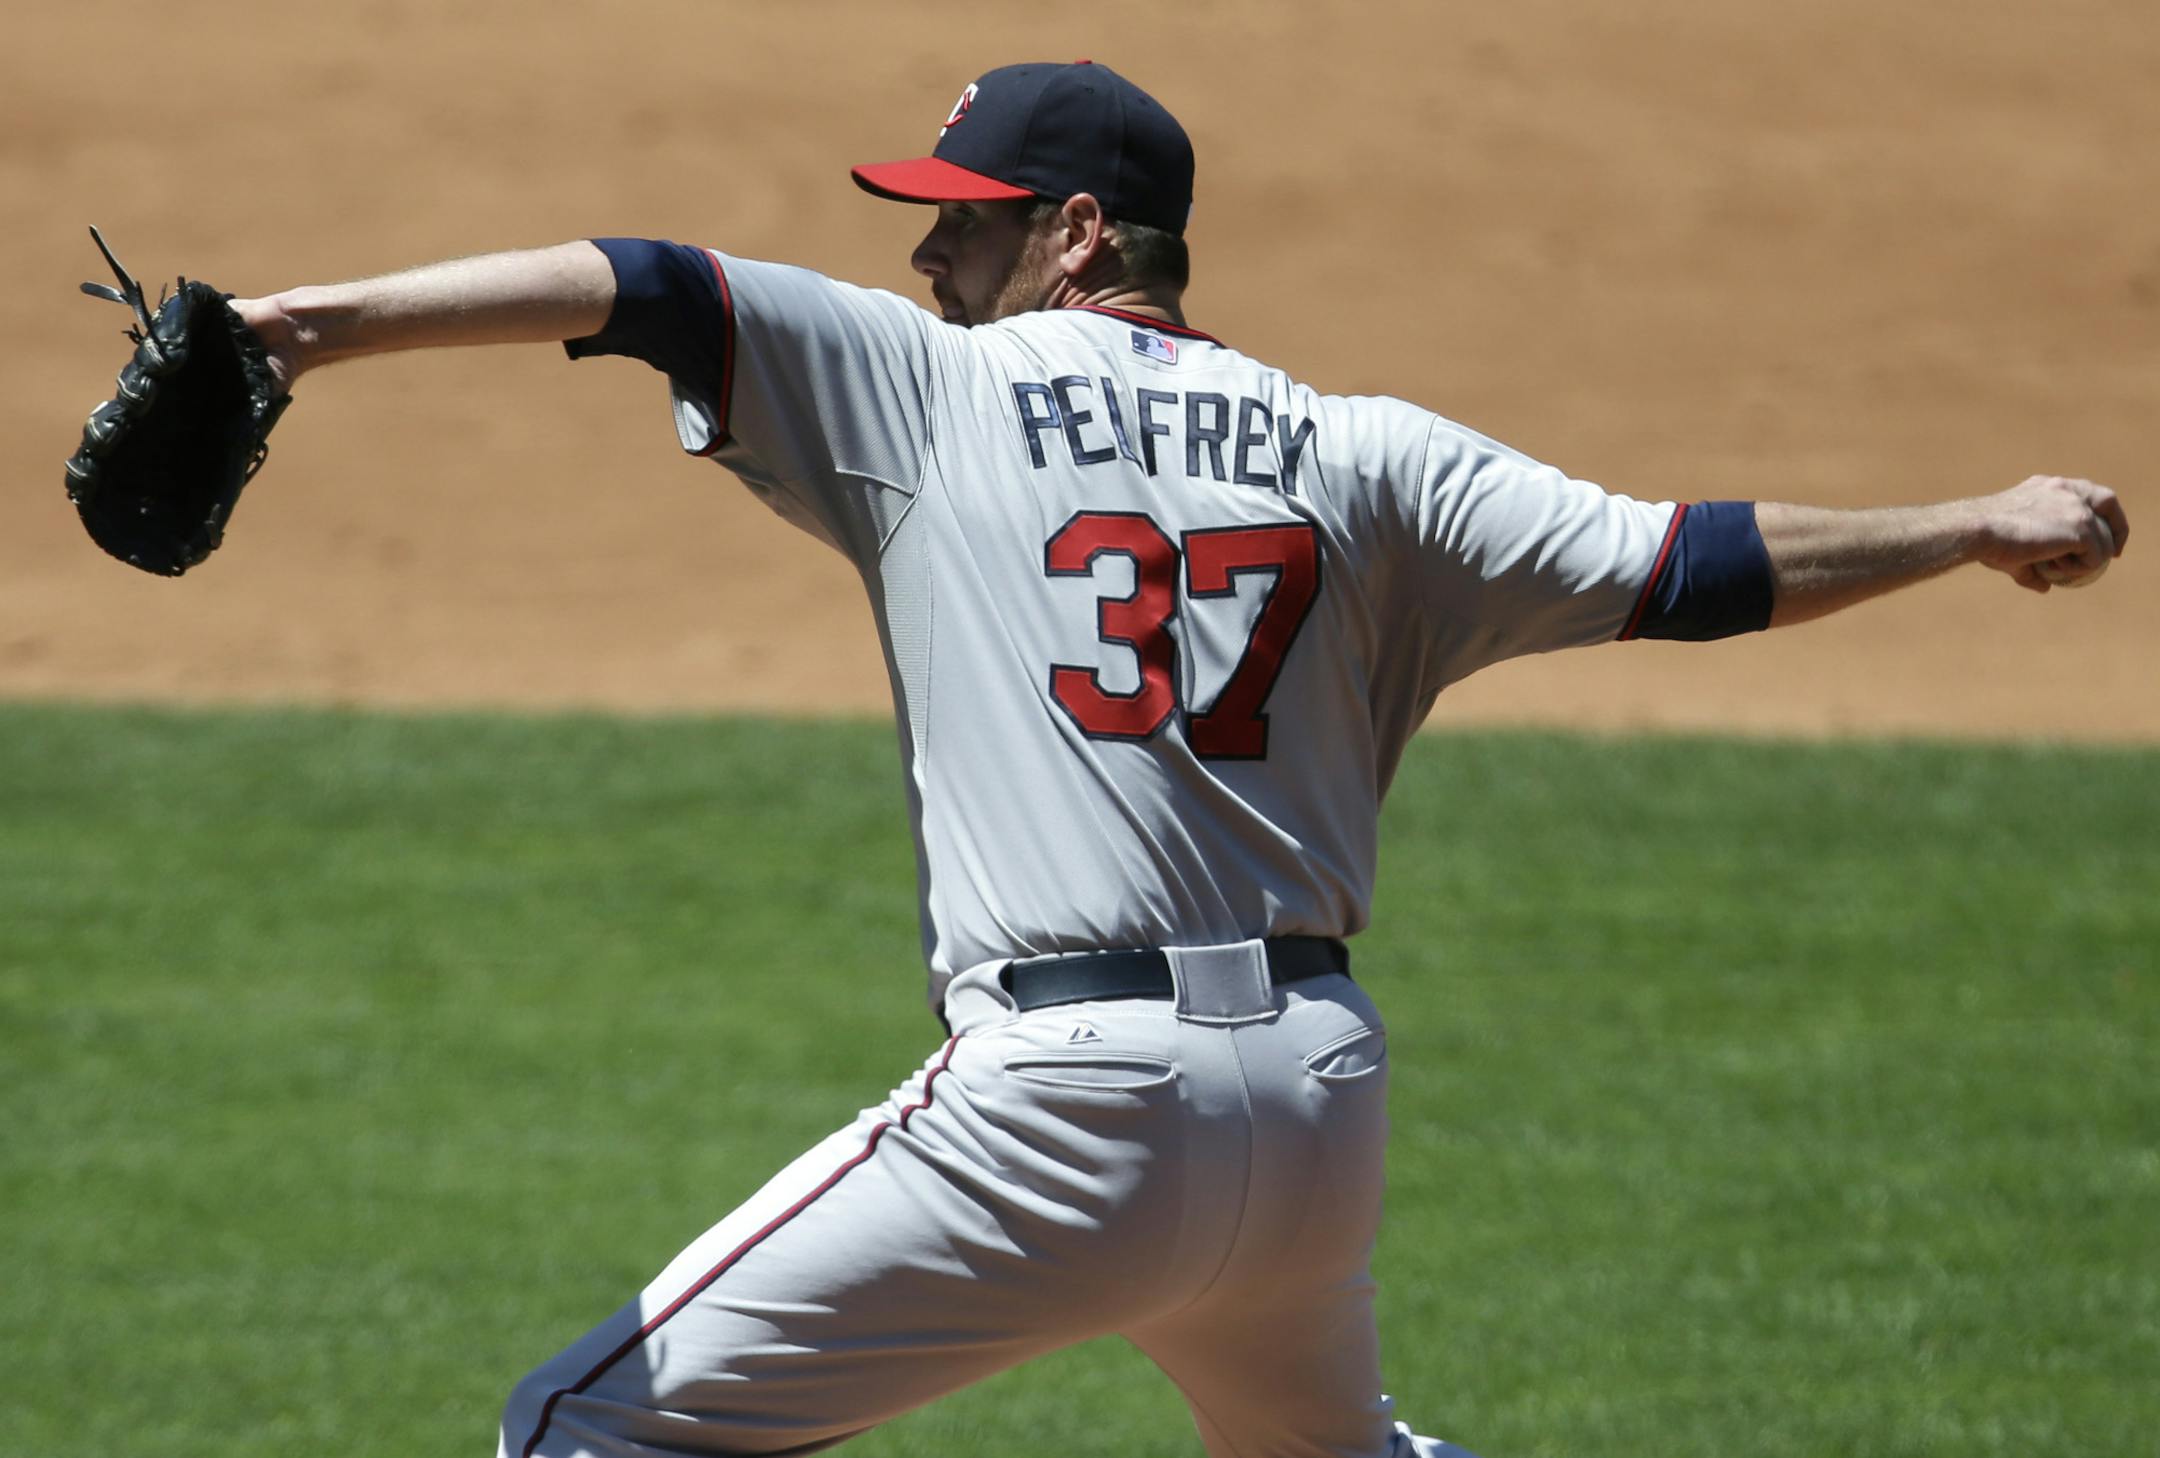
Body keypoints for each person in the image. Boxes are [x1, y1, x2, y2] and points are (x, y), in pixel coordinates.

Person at [232, 60, 2126, 1458]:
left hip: (1067, 1106)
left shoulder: (927, 380)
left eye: (962, 217)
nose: (922, 244)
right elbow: (1692, 564)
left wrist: (302, 327)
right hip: (1313, 1107)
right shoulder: (1366, 448)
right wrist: (1968, 517)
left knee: (583, 1431)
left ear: (1072, 234)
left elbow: (640, 281)